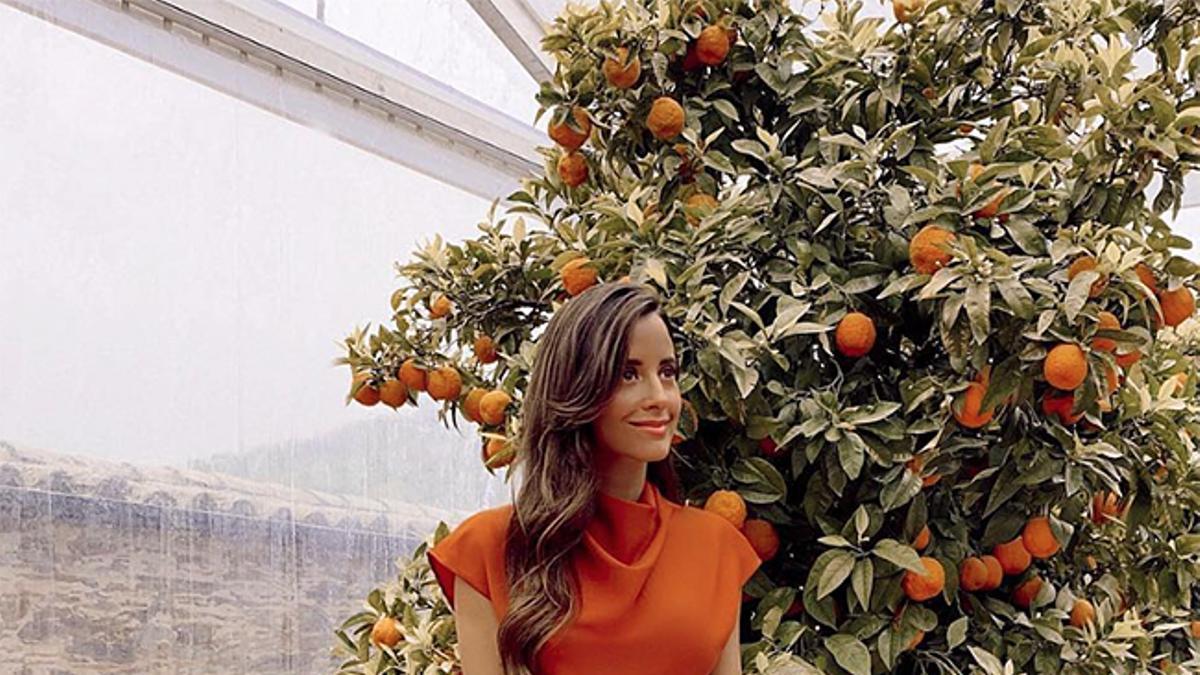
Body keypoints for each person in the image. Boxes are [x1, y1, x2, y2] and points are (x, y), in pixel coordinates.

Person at [427, 280, 762, 675]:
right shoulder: (487, 549)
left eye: (667, 371)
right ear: (576, 388)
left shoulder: (716, 547)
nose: (659, 396)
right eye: (627, 374)